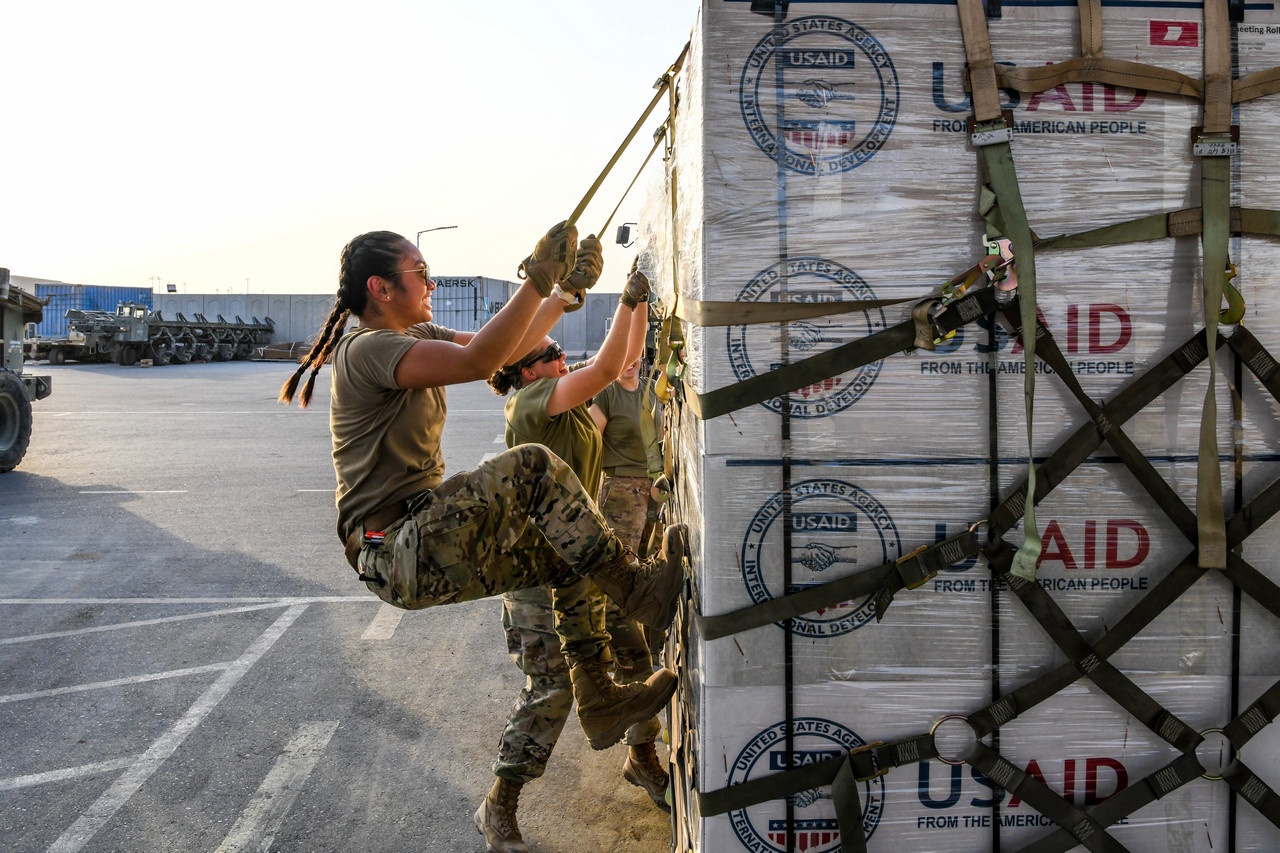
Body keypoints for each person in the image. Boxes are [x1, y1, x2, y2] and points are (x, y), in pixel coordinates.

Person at [277, 225, 687, 830]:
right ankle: (636, 591)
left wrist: (564, 294)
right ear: (380, 288)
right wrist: (539, 280)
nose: (431, 282)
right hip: (391, 547)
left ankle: (598, 697)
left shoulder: (411, 333)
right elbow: (481, 361)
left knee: (566, 550)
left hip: (424, 535)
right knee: (532, 468)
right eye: (420, 272)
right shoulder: (366, 349)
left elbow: (510, 344)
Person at [477, 261, 668, 853]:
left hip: (581, 563)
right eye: (553, 352)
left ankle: (642, 758)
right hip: (537, 575)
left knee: (633, 653)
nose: (564, 359)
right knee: (551, 688)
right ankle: (499, 805)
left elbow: (625, 361)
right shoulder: (535, 404)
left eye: (560, 352)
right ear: (526, 370)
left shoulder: (560, 399)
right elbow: (610, 365)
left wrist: (636, 302)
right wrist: (625, 298)